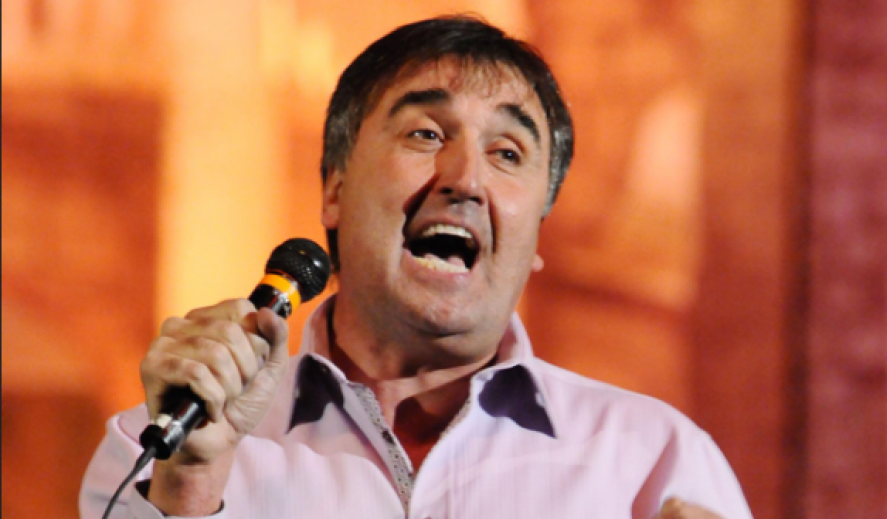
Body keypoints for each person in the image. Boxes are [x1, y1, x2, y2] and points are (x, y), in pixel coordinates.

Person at [80, 15, 752, 519]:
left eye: (508, 153)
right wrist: (191, 481)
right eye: (426, 134)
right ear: (334, 189)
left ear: (537, 234)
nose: (466, 179)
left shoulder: (653, 461)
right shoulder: (158, 448)